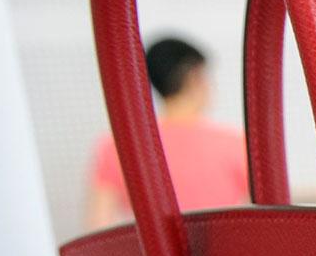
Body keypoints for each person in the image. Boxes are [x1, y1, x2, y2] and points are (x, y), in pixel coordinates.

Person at [84, 36, 249, 230]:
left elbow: (98, 224)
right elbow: (267, 205)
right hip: (226, 255)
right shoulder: (232, 142)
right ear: (195, 78)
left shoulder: (117, 146)